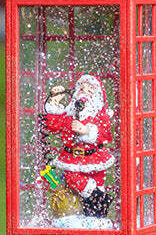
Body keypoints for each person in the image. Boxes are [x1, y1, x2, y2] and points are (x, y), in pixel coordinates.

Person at [42, 73, 115, 222]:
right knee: (71, 177)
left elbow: (105, 132)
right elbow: (52, 125)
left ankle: (97, 212)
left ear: (97, 97)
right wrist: (54, 102)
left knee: (98, 182)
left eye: (89, 90)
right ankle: (99, 200)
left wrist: (86, 131)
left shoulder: (99, 115)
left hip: (94, 156)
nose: (83, 91)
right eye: (81, 87)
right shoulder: (69, 113)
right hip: (72, 157)